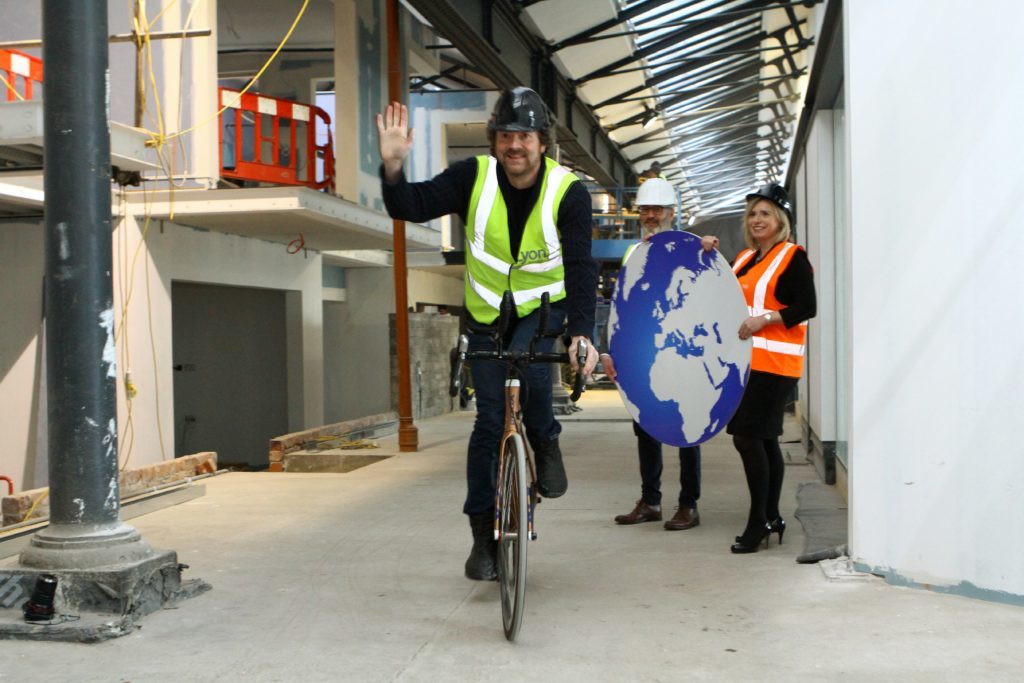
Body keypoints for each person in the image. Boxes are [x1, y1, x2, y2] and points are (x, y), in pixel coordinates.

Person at [376, 87, 599, 581]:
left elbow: (582, 266)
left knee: (536, 380)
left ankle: (545, 440)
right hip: (485, 314)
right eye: (504, 135)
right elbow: (410, 205)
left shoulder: (569, 192)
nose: (513, 144)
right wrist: (393, 166)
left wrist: (582, 333)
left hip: (542, 312)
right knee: (487, 421)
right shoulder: (472, 177)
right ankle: (483, 537)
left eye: (523, 136)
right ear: (494, 140)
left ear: (542, 142)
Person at [700, 183, 816, 554]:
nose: (757, 219)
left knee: (747, 437)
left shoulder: (792, 256)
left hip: (776, 364)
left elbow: (806, 306)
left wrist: (764, 320)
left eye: (765, 213)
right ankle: (771, 517)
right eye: (752, 214)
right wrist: (709, 256)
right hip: (748, 365)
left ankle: (758, 522)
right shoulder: (746, 259)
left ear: (781, 219)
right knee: (763, 438)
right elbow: (724, 295)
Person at [599, 178, 702, 531]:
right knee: (645, 426)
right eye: (645, 210)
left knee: (688, 428)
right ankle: (651, 500)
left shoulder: (692, 249)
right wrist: (610, 349)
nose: (650, 215)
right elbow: (621, 305)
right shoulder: (633, 252)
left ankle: (689, 504)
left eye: (657, 209)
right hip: (646, 352)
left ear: (672, 212)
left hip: (682, 351)